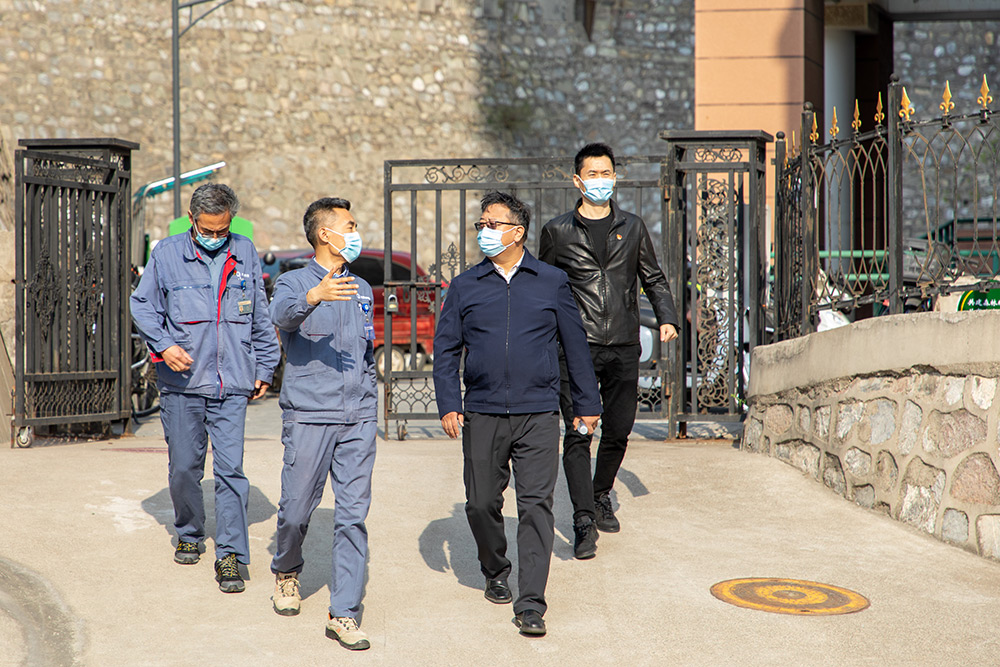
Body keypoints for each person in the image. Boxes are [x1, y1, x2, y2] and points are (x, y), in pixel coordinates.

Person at [433, 191, 602, 638]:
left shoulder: (551, 281)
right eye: (481, 224)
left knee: (536, 506)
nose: (484, 231)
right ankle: (495, 569)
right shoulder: (465, 285)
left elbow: (575, 345)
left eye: (493, 223)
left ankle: (531, 604)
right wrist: (449, 403)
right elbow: (446, 349)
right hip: (483, 411)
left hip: (538, 412)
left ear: (518, 232)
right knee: (480, 503)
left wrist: (587, 405)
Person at [130, 183, 279, 592]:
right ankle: (190, 531)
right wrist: (164, 346)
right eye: (207, 229)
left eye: (222, 230)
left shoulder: (244, 251)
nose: (215, 237)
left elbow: (259, 312)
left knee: (231, 471)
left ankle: (230, 555)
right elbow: (142, 305)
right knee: (184, 468)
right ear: (192, 220)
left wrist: (266, 366)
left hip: (232, 383)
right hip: (183, 383)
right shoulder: (166, 254)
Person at [539, 142, 679, 560]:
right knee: (579, 433)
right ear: (577, 180)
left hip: (623, 344)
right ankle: (583, 520)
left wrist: (667, 316)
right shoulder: (557, 232)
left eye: (606, 173)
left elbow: (653, 278)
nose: (600, 181)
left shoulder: (632, 227)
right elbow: (544, 288)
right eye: (592, 174)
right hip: (576, 347)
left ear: (614, 177)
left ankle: (600, 494)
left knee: (618, 430)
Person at [267, 197, 377, 651]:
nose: (356, 232)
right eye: (349, 226)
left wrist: (369, 398)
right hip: (310, 414)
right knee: (295, 511)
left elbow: (366, 351)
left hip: (358, 417)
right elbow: (281, 317)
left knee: (352, 517)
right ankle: (286, 571)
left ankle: (343, 612)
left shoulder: (362, 287)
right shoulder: (293, 281)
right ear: (325, 234)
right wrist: (314, 296)